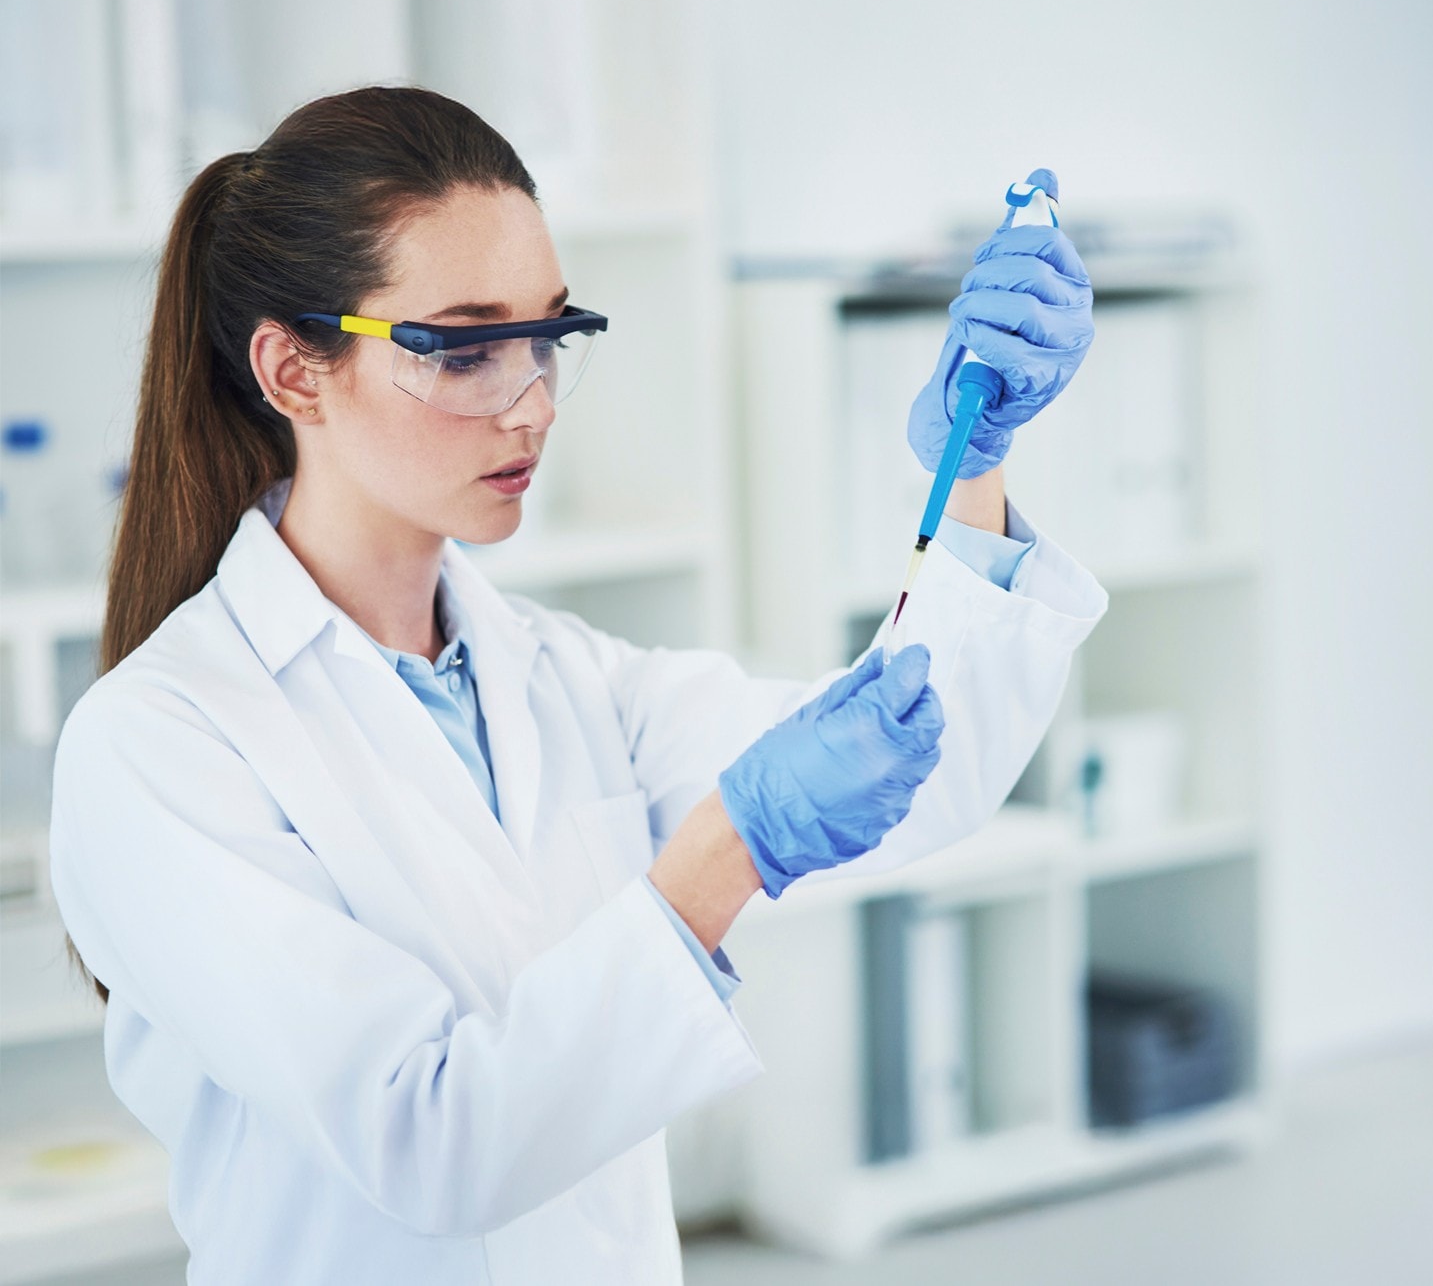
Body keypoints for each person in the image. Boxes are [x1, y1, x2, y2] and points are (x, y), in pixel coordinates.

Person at [47, 87, 1104, 1284]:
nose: (534, 400)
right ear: (294, 370)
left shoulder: (561, 678)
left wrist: (975, 465)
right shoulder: (157, 743)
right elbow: (429, 1142)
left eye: (550, 333)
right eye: (463, 345)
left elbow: (924, 767)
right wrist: (724, 857)